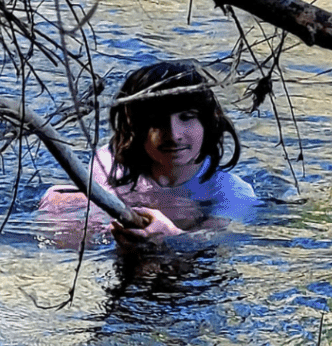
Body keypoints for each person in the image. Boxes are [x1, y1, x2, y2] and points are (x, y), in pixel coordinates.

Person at [40, 61, 255, 241]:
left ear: (208, 123)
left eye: (187, 117)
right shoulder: (110, 166)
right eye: (158, 121)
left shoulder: (231, 192)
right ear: (135, 127)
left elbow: (212, 242)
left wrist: (172, 234)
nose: (173, 134)